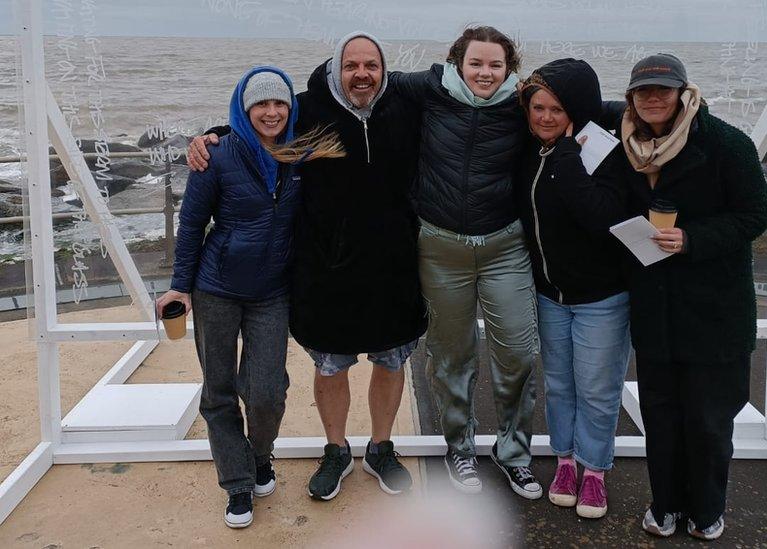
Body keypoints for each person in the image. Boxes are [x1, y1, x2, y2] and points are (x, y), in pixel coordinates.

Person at [186, 32, 427, 501]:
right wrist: (208, 137)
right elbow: (258, 129)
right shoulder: (307, 112)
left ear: (384, 69)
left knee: (391, 360)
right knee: (332, 365)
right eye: (352, 65)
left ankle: (381, 448)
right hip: (326, 268)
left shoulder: (405, 107)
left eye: (371, 66)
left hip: (393, 263)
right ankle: (335, 451)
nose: (362, 74)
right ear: (337, 67)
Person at [158, 66, 344, 528]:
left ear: (290, 107)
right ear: (244, 108)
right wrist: (180, 283)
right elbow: (192, 223)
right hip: (216, 289)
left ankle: (260, 455)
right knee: (219, 391)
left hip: (271, 293)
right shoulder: (218, 155)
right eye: (260, 103)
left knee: (266, 392)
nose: (271, 111)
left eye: (279, 102)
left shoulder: (300, 153)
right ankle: (238, 484)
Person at [607, 54, 767, 540]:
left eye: (663, 89)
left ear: (684, 92)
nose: (653, 98)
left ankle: (707, 509)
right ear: (631, 98)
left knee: (708, 420)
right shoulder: (627, 146)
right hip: (655, 307)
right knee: (660, 416)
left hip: (715, 310)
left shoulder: (726, 144)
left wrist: (692, 239)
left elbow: (754, 216)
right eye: (643, 91)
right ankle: (665, 506)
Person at [388, 26, 541, 499]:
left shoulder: (524, 101)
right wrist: (222, 131)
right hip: (440, 247)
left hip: (504, 246)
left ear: (509, 68)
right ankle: (461, 448)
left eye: (496, 65)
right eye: (476, 63)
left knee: (518, 351)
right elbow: (359, 87)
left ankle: (513, 452)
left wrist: (668, 111)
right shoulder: (431, 87)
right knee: (451, 357)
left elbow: (586, 105)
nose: (485, 73)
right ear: (457, 62)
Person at [515, 58, 632, 519]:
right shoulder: (529, 149)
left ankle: (595, 471)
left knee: (599, 390)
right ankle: (565, 462)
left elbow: (601, 218)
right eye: (537, 108)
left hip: (602, 298)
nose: (545, 117)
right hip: (549, 295)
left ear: (577, 111)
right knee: (560, 387)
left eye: (557, 109)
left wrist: (565, 156)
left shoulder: (606, 149)